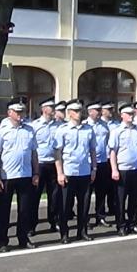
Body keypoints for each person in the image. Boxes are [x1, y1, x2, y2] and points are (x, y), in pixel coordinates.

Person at [0, 101, 39, 252]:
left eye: (22, 111)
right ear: (9, 113)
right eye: (17, 112)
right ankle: (3, 241)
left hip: (25, 174)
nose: (20, 115)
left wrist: (36, 173)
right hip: (7, 176)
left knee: (24, 210)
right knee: (4, 210)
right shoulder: (1, 131)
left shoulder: (29, 130)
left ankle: (23, 238)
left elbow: (34, 153)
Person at [53, 101, 95, 244]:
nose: (79, 113)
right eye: (76, 111)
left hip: (84, 171)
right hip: (69, 171)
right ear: (69, 113)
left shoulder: (88, 129)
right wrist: (60, 173)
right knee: (64, 205)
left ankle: (82, 231)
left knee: (84, 204)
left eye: (80, 110)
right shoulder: (62, 130)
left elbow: (92, 150)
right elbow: (57, 153)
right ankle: (64, 233)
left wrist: (93, 168)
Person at [109, 105, 137, 236]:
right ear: (122, 115)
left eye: (132, 113)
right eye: (128, 113)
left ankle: (132, 223)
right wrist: (114, 169)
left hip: (136, 168)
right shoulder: (116, 131)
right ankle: (120, 225)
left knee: (134, 198)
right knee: (120, 199)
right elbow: (112, 152)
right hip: (122, 169)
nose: (131, 115)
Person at [29, 99, 60, 235]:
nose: (54, 109)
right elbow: (31, 148)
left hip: (54, 163)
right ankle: (31, 225)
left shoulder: (58, 126)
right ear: (44, 109)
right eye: (51, 107)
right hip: (40, 164)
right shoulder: (34, 126)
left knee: (54, 195)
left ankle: (54, 221)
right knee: (35, 196)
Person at [85, 103, 112, 227]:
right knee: (86, 194)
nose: (99, 112)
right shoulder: (85, 126)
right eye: (96, 110)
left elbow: (107, 143)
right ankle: (84, 218)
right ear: (90, 112)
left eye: (100, 110)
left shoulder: (104, 125)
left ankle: (100, 216)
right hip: (89, 163)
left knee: (102, 192)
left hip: (103, 162)